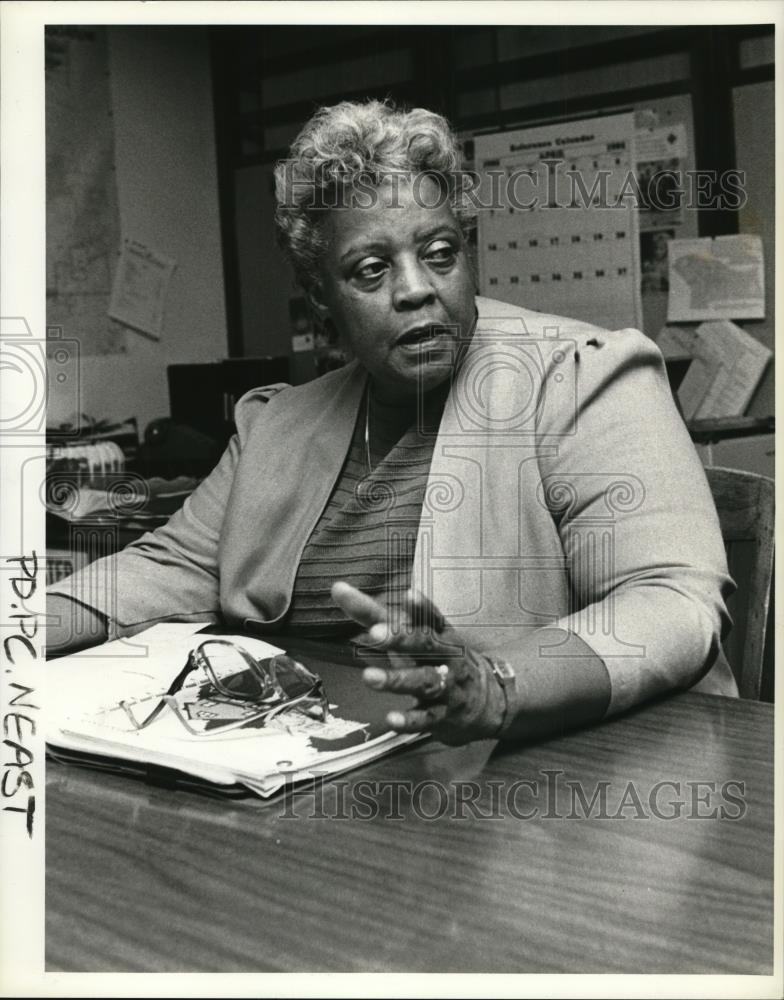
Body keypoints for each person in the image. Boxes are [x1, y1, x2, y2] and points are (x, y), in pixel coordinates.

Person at [47, 99, 737, 746]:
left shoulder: (582, 376)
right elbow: (172, 564)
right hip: (317, 767)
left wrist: (499, 686)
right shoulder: (280, 425)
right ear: (320, 294)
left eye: (439, 253)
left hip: (552, 781)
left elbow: (671, 602)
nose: (415, 288)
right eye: (371, 269)